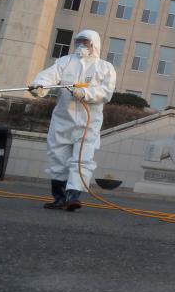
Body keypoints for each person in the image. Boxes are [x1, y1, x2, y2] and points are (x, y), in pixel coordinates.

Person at [30, 30, 117, 212]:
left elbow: (106, 92)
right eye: (79, 42)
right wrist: (39, 85)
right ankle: (59, 197)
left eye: (85, 42)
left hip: (88, 124)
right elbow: (49, 76)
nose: (81, 45)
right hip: (62, 120)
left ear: (94, 44)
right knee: (57, 158)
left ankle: (73, 197)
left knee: (82, 160)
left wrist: (86, 93)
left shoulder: (105, 67)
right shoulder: (65, 61)